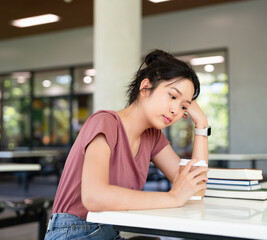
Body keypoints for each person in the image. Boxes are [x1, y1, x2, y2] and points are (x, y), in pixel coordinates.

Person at [44, 49, 209, 239]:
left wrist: (201, 126)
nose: (175, 111)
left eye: (183, 106)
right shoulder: (105, 122)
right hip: (73, 232)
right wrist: (172, 198)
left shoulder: (152, 137)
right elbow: (94, 197)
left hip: (109, 231)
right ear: (145, 88)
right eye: (172, 96)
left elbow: (196, 190)